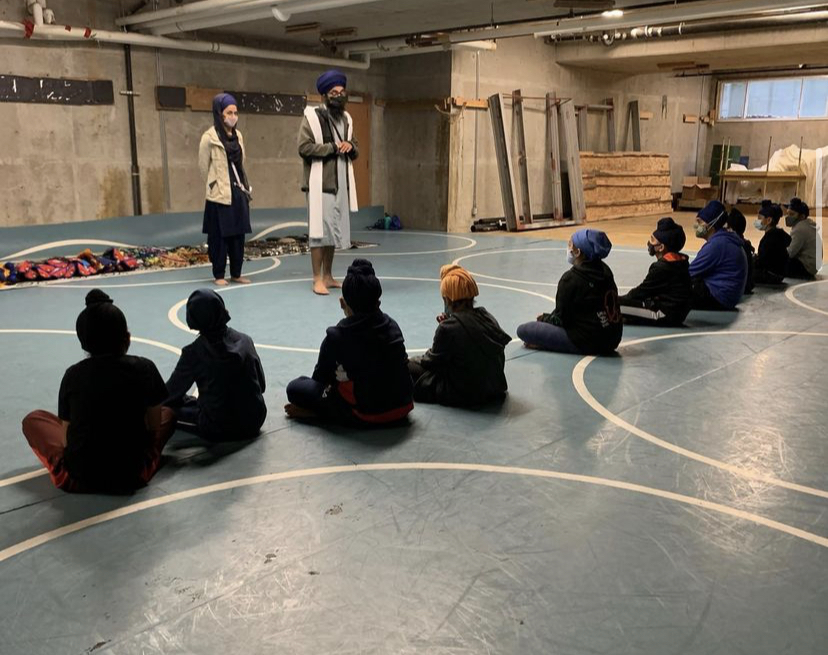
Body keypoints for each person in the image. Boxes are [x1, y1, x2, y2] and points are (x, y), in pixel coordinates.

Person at [21, 290, 174, 493]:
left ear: (84, 343)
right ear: (127, 337)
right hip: (133, 473)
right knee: (168, 414)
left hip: (78, 477)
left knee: (34, 420)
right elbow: (154, 427)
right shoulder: (145, 367)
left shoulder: (73, 375)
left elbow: (66, 440)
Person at [285, 259, 413, 424]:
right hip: (403, 406)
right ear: (378, 303)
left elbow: (320, 379)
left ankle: (321, 413)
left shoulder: (337, 336)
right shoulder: (392, 325)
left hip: (365, 413)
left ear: (342, 303)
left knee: (295, 388)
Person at [165, 289, 267, 442]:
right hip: (255, 420)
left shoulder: (194, 352)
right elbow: (261, 386)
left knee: (167, 409)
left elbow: (170, 395)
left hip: (220, 427)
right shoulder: (245, 340)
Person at [408, 265, 512, 406]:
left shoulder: (448, 327)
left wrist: (414, 359)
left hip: (466, 392)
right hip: (494, 387)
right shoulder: (487, 316)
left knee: (407, 366)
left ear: (447, 299)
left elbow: (431, 361)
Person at [298, 69, 360, 295]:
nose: (338, 96)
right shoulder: (312, 118)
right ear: (324, 95)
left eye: (342, 92)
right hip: (320, 184)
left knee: (332, 231)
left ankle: (328, 275)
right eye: (334, 92)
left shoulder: (347, 119)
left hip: (341, 183)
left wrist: (350, 147)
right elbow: (304, 147)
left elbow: (355, 147)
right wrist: (332, 148)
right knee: (319, 233)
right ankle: (317, 279)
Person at [517, 229, 622, 355]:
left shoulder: (570, 279)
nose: (569, 248)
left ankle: (548, 344)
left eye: (571, 245)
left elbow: (561, 320)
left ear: (578, 252)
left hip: (589, 342)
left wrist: (545, 318)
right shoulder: (606, 271)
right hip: (613, 339)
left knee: (524, 330)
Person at [199, 93, 252, 286]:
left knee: (238, 236)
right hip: (219, 196)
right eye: (229, 112)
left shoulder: (239, 136)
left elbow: (241, 163)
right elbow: (203, 167)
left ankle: (236, 273)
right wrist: (215, 184)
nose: (233, 116)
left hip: (238, 192)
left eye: (235, 112)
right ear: (219, 113)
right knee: (219, 237)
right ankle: (219, 274)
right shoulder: (209, 138)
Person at [618, 217, 692, 326]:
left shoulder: (662, 267)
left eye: (652, 240)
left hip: (664, 314)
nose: (649, 243)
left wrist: (619, 299)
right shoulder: (680, 260)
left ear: (661, 247)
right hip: (676, 312)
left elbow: (641, 292)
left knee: (613, 305)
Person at [688, 200, 747, 311]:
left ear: (711, 224)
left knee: (677, 287)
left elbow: (689, 272)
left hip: (719, 297)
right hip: (728, 296)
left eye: (700, 222)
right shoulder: (724, 239)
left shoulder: (717, 245)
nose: (697, 226)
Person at [753, 200, 790, 286]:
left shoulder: (770, 239)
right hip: (779, 273)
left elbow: (762, 261)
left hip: (771, 275)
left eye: (760, 218)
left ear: (769, 220)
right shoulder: (779, 234)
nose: (758, 221)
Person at [785, 197, 820, 279]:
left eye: (792, 214)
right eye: (787, 213)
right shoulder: (807, 224)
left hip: (806, 267)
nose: (788, 217)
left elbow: (790, 253)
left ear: (802, 216)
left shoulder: (800, 229)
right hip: (813, 266)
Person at [725, 207, 755, 294]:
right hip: (746, 285)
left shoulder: (732, 245)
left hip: (737, 288)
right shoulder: (746, 244)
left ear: (730, 228)